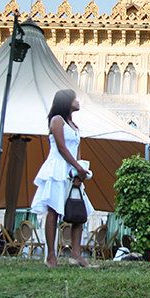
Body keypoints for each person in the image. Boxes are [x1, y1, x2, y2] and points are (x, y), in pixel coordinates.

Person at [30, 89, 94, 268]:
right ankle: (51, 255)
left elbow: (76, 150)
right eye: (74, 98)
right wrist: (78, 167)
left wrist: (80, 172)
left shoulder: (74, 126)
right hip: (58, 168)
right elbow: (61, 148)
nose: (77, 101)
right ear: (66, 101)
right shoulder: (56, 120)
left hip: (72, 170)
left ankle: (76, 254)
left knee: (79, 211)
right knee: (54, 211)